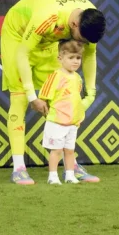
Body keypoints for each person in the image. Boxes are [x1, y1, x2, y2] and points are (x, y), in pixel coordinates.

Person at [0, 0, 106, 186]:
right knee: (20, 96)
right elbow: (23, 53)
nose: (82, 44)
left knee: (61, 96)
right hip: (19, 34)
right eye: (81, 40)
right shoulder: (47, 17)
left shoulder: (90, 17)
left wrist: (90, 94)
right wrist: (33, 97)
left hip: (48, 38)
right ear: (74, 24)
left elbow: (90, 55)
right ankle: (18, 168)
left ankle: (70, 165)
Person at [40, 40, 94, 185]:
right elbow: (44, 96)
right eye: (71, 58)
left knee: (69, 150)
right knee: (56, 151)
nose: (75, 62)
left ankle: (70, 175)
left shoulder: (77, 78)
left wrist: (78, 117)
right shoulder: (55, 76)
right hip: (57, 122)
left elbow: (76, 99)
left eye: (78, 58)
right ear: (60, 58)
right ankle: (53, 176)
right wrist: (47, 111)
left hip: (72, 123)